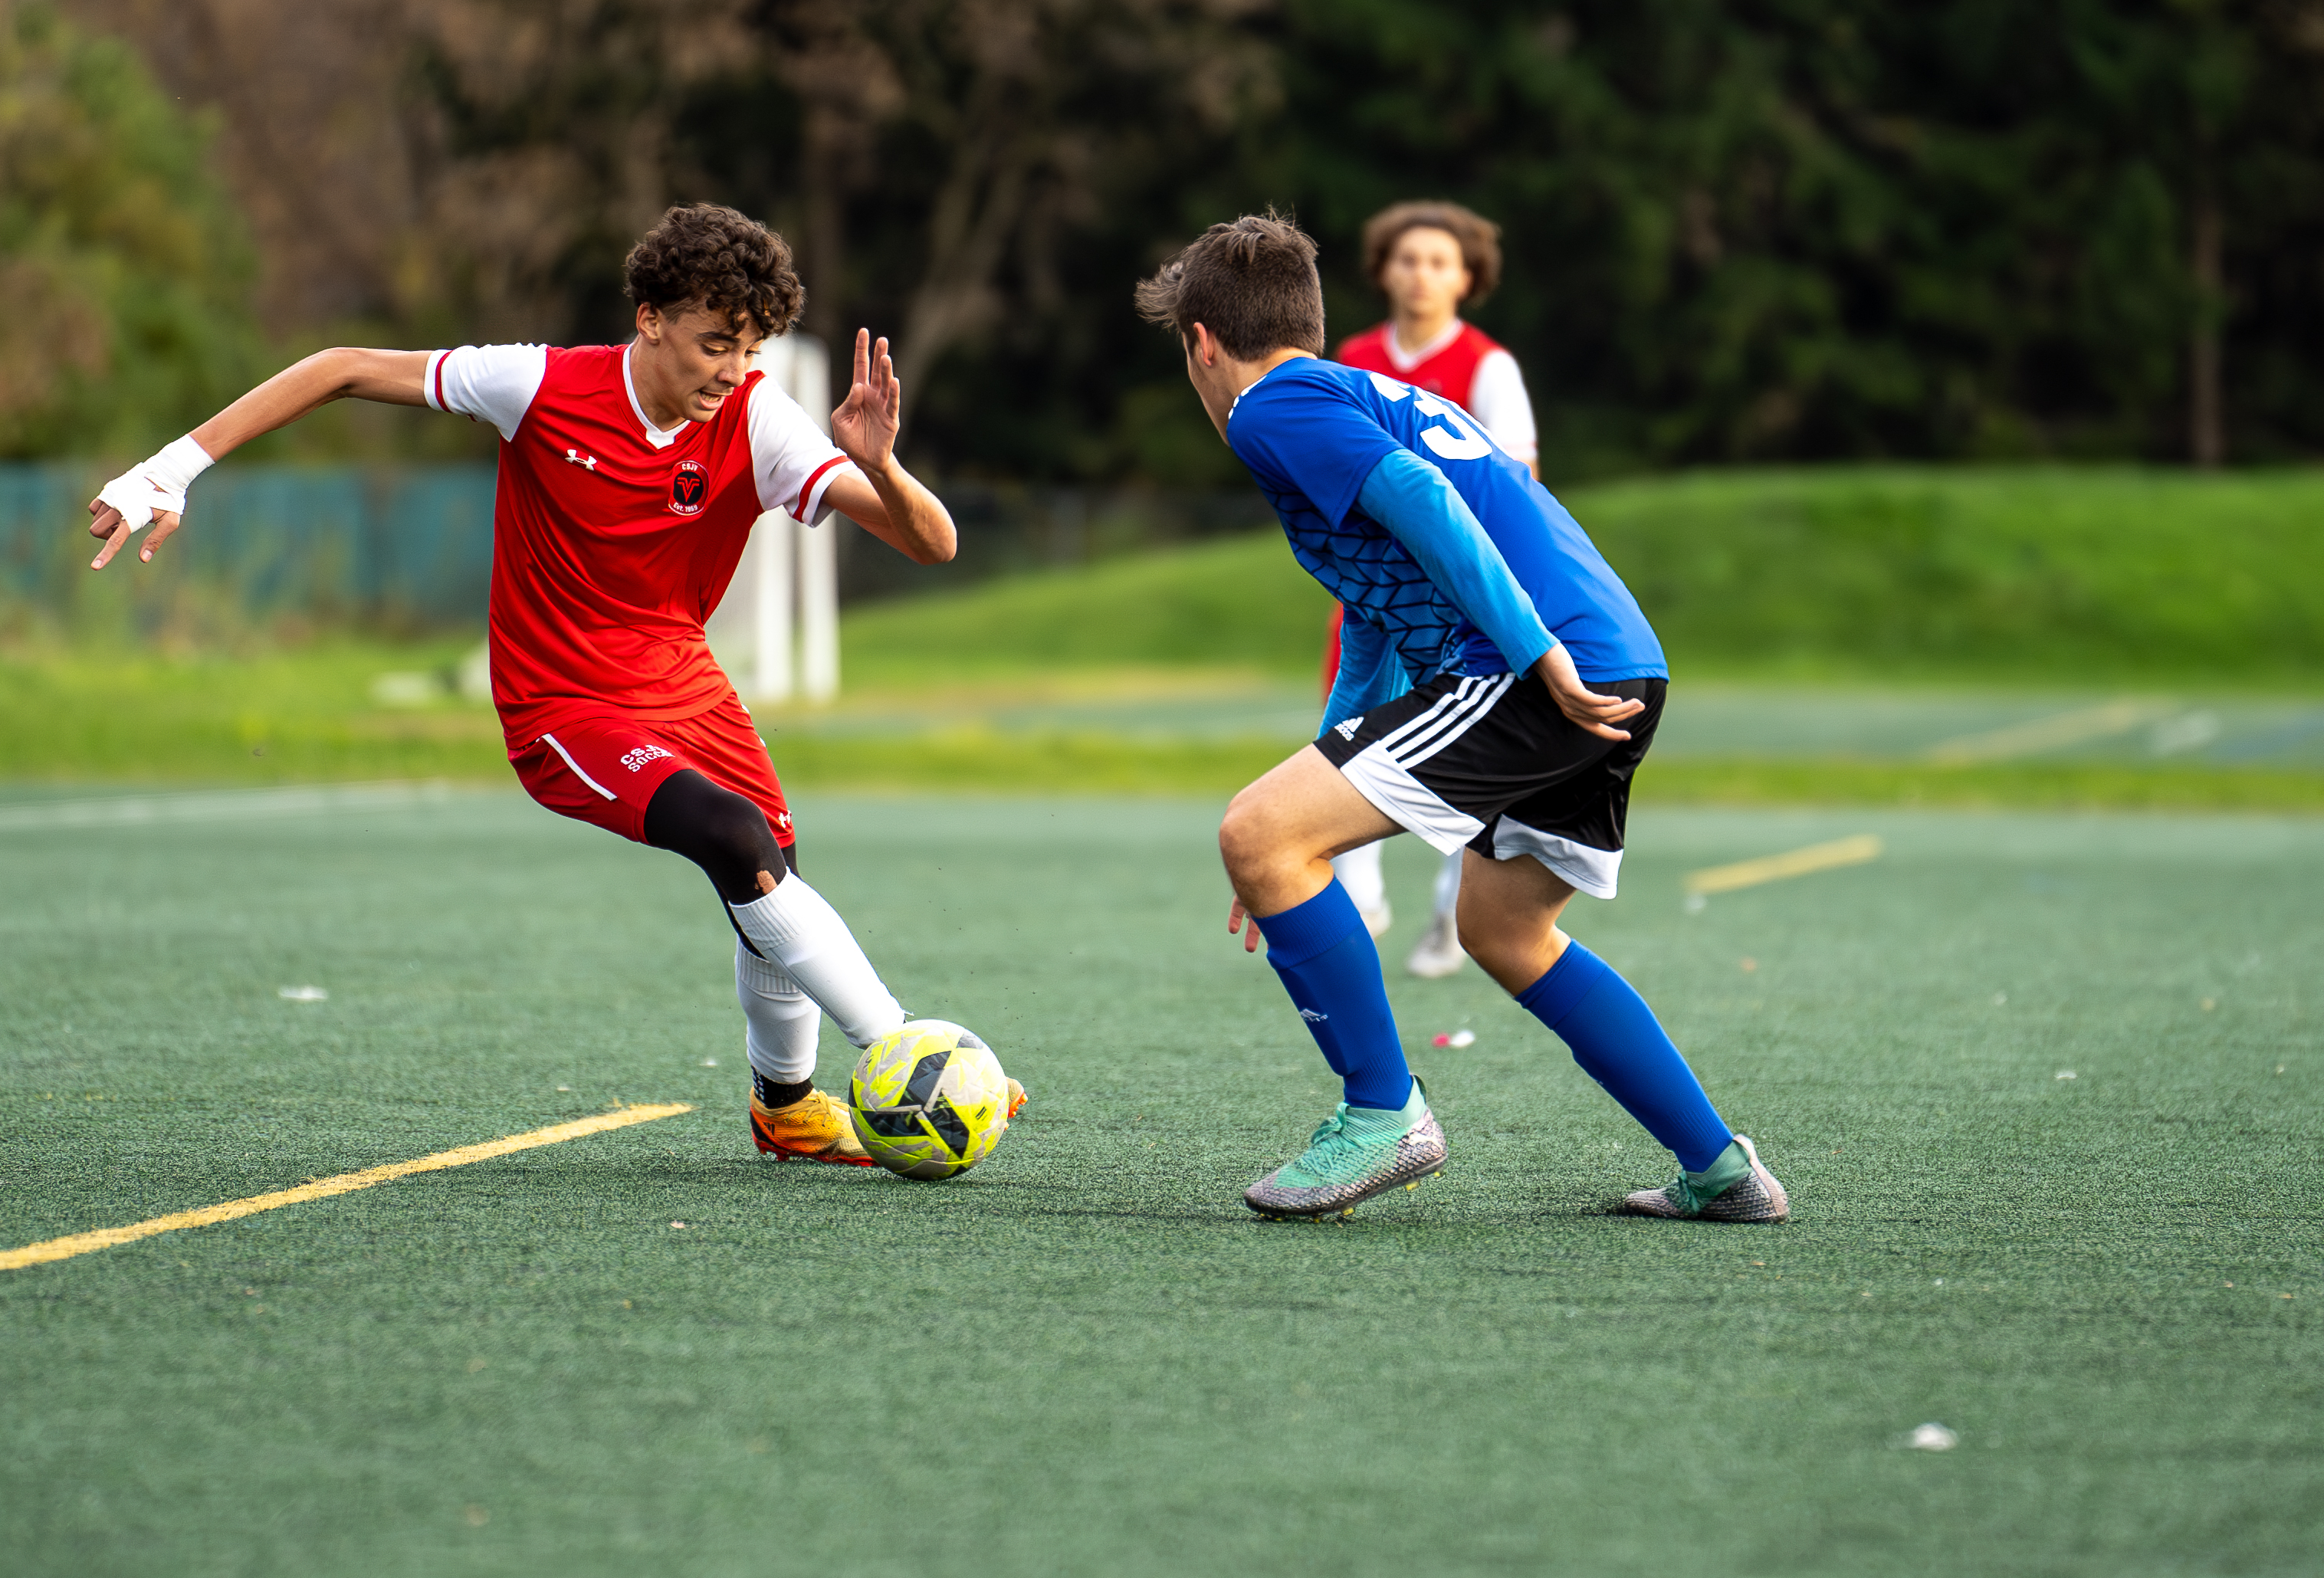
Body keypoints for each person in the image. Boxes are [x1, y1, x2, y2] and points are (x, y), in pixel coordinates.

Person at [86, 202, 1019, 1167]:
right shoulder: (536, 384)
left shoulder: (756, 419)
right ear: (649, 317)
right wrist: (173, 467)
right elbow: (340, 368)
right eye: (711, 345)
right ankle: (906, 1051)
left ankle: (785, 1107)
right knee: (734, 838)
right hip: (561, 702)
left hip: (685, 684)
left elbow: (933, 542)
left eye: (746, 351)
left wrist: (883, 467)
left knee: (773, 868)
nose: (729, 373)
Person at [1136, 212, 1784, 1224]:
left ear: (1201, 341)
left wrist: (1535, 655)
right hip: (1622, 661)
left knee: (1257, 833)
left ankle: (1382, 1114)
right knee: (1502, 928)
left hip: (1542, 666)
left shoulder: (1270, 406)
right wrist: (1292, 819)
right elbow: (1373, 607)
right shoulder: (1349, 390)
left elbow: (1421, 496)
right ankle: (1721, 1169)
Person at [1329, 201, 1540, 977]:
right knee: (1348, 743)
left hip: (1459, 604)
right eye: (1406, 259)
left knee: (1464, 753)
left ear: (1467, 277)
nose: (1420, 274)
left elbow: (1511, 488)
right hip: (1370, 598)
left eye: (1438, 261)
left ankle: (1453, 916)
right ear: (1382, 270)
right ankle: (1357, 905)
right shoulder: (1349, 356)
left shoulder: (1487, 366)